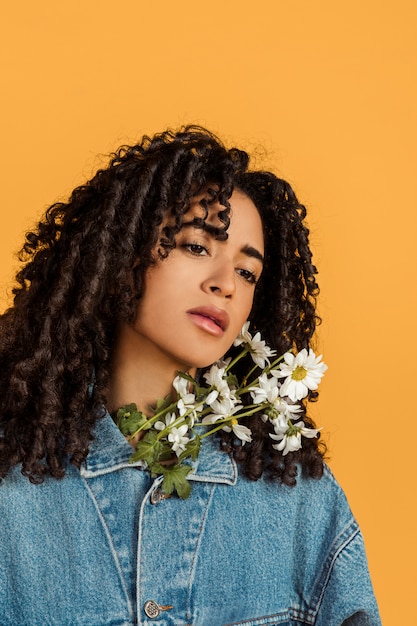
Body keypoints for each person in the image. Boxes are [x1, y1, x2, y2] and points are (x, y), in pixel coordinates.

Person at [0, 127, 380, 625]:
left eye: (248, 273)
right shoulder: (12, 493)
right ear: (121, 253)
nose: (224, 284)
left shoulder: (300, 503)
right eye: (198, 246)